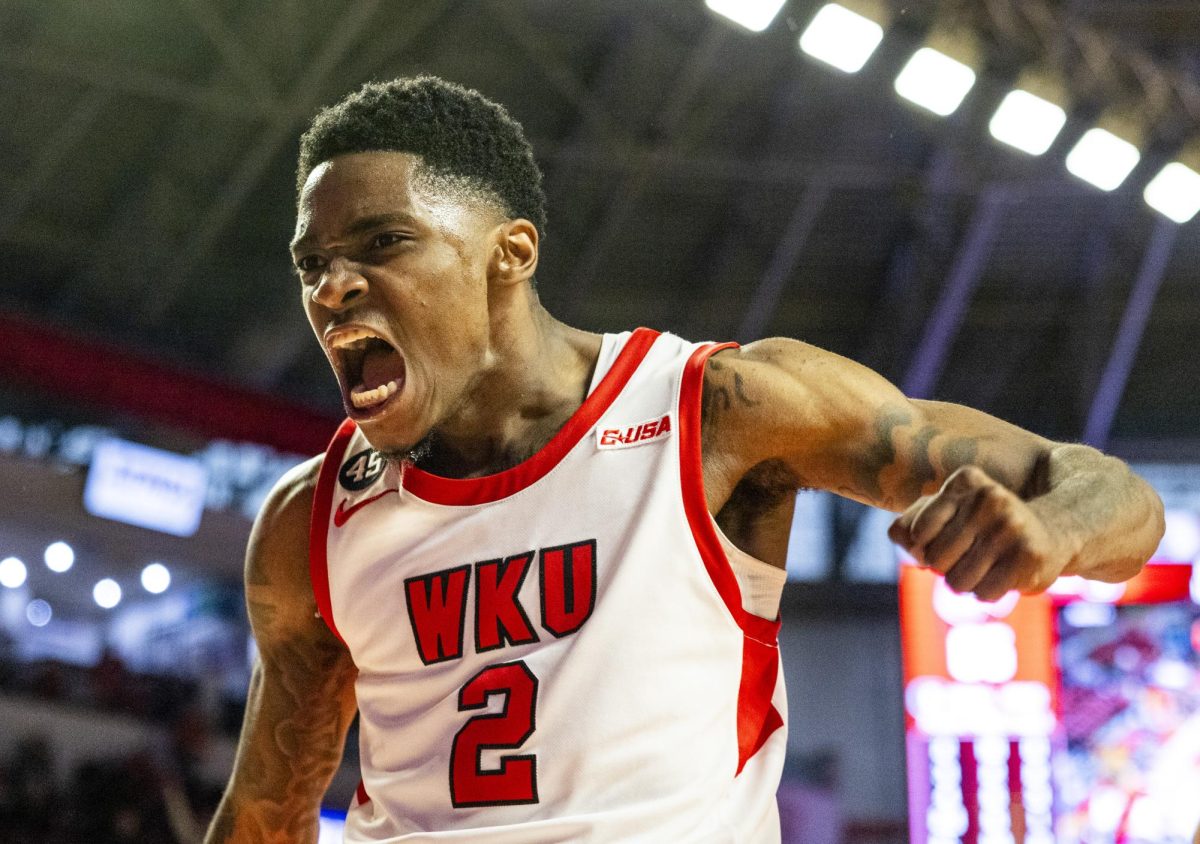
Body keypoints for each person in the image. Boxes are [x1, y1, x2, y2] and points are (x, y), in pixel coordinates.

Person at [204, 76, 1164, 843]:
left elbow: (1119, 500)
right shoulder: (311, 517)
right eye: (311, 264)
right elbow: (263, 818)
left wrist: (1053, 529)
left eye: (383, 244)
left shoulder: (718, 411)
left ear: (511, 252)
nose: (333, 287)